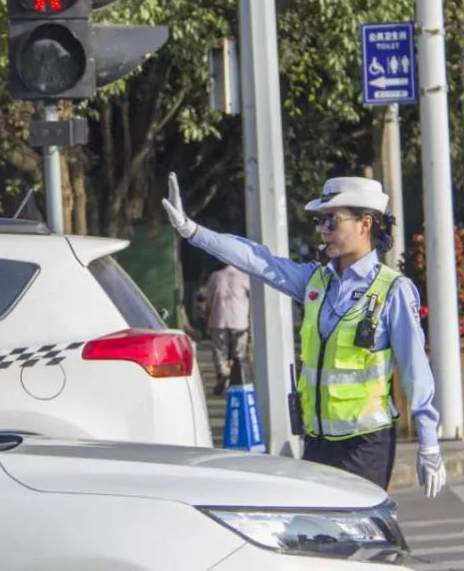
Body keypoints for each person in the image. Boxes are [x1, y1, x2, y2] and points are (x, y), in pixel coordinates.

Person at [162, 173, 446, 496]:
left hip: (365, 446)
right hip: (316, 441)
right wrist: (192, 231)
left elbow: (415, 371)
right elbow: (257, 260)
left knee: (356, 538)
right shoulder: (315, 281)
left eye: (332, 221)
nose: (324, 231)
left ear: (365, 224)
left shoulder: (393, 290)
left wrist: (429, 443)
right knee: (318, 538)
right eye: (321, 222)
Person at [204, 263, 252, 394]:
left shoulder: (215, 276)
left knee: (220, 351)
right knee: (239, 353)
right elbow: (252, 297)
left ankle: (223, 372)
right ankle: (239, 380)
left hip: (219, 319)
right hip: (240, 321)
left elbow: (208, 299)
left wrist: (207, 316)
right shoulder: (244, 276)